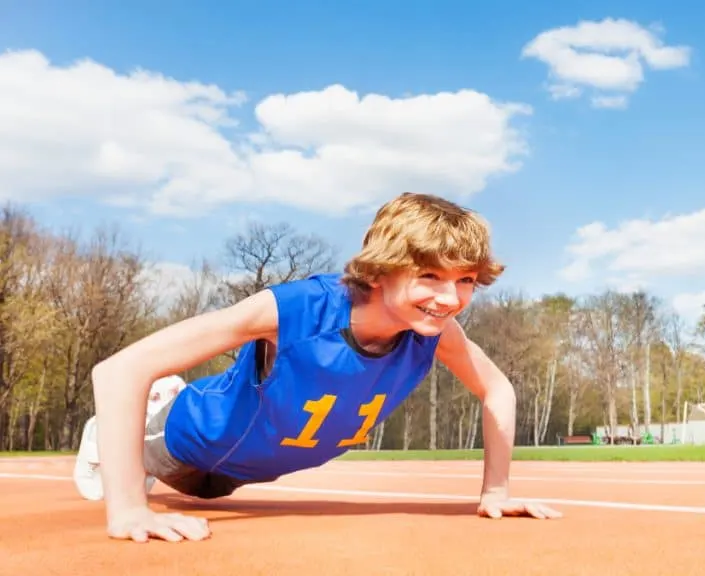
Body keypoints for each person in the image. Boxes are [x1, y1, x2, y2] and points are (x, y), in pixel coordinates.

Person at [75, 192, 561, 543]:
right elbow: (117, 371)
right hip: (186, 445)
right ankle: (139, 417)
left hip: (234, 477)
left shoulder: (433, 334)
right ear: (382, 268)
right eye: (430, 275)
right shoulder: (297, 311)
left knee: (207, 491)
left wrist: (496, 490)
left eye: (466, 280)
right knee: (146, 425)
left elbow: (498, 389)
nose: (450, 297)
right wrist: (129, 510)